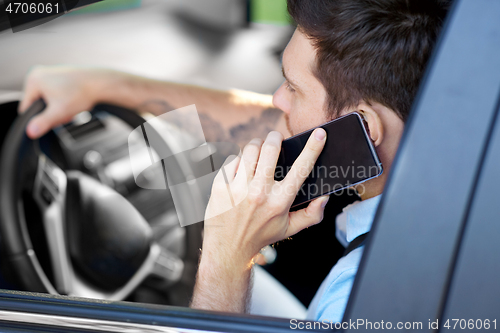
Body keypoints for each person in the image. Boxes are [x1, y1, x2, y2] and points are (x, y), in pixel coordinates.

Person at [19, 0, 450, 323]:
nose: (276, 100)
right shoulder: (457, 154)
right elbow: (268, 119)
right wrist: (100, 83)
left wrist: (227, 258)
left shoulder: (362, 299)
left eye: (292, 88)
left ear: (365, 130)